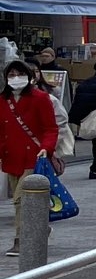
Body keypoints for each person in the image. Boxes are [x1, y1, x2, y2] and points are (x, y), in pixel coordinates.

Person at [2, 57, 60, 255]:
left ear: (29, 77)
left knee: (21, 199)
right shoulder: (2, 100)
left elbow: (51, 128)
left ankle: (21, 239)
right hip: (11, 158)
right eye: (11, 75)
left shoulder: (40, 98)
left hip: (33, 157)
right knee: (21, 199)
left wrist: (46, 148)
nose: (16, 78)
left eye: (20, 74)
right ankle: (40, 229)